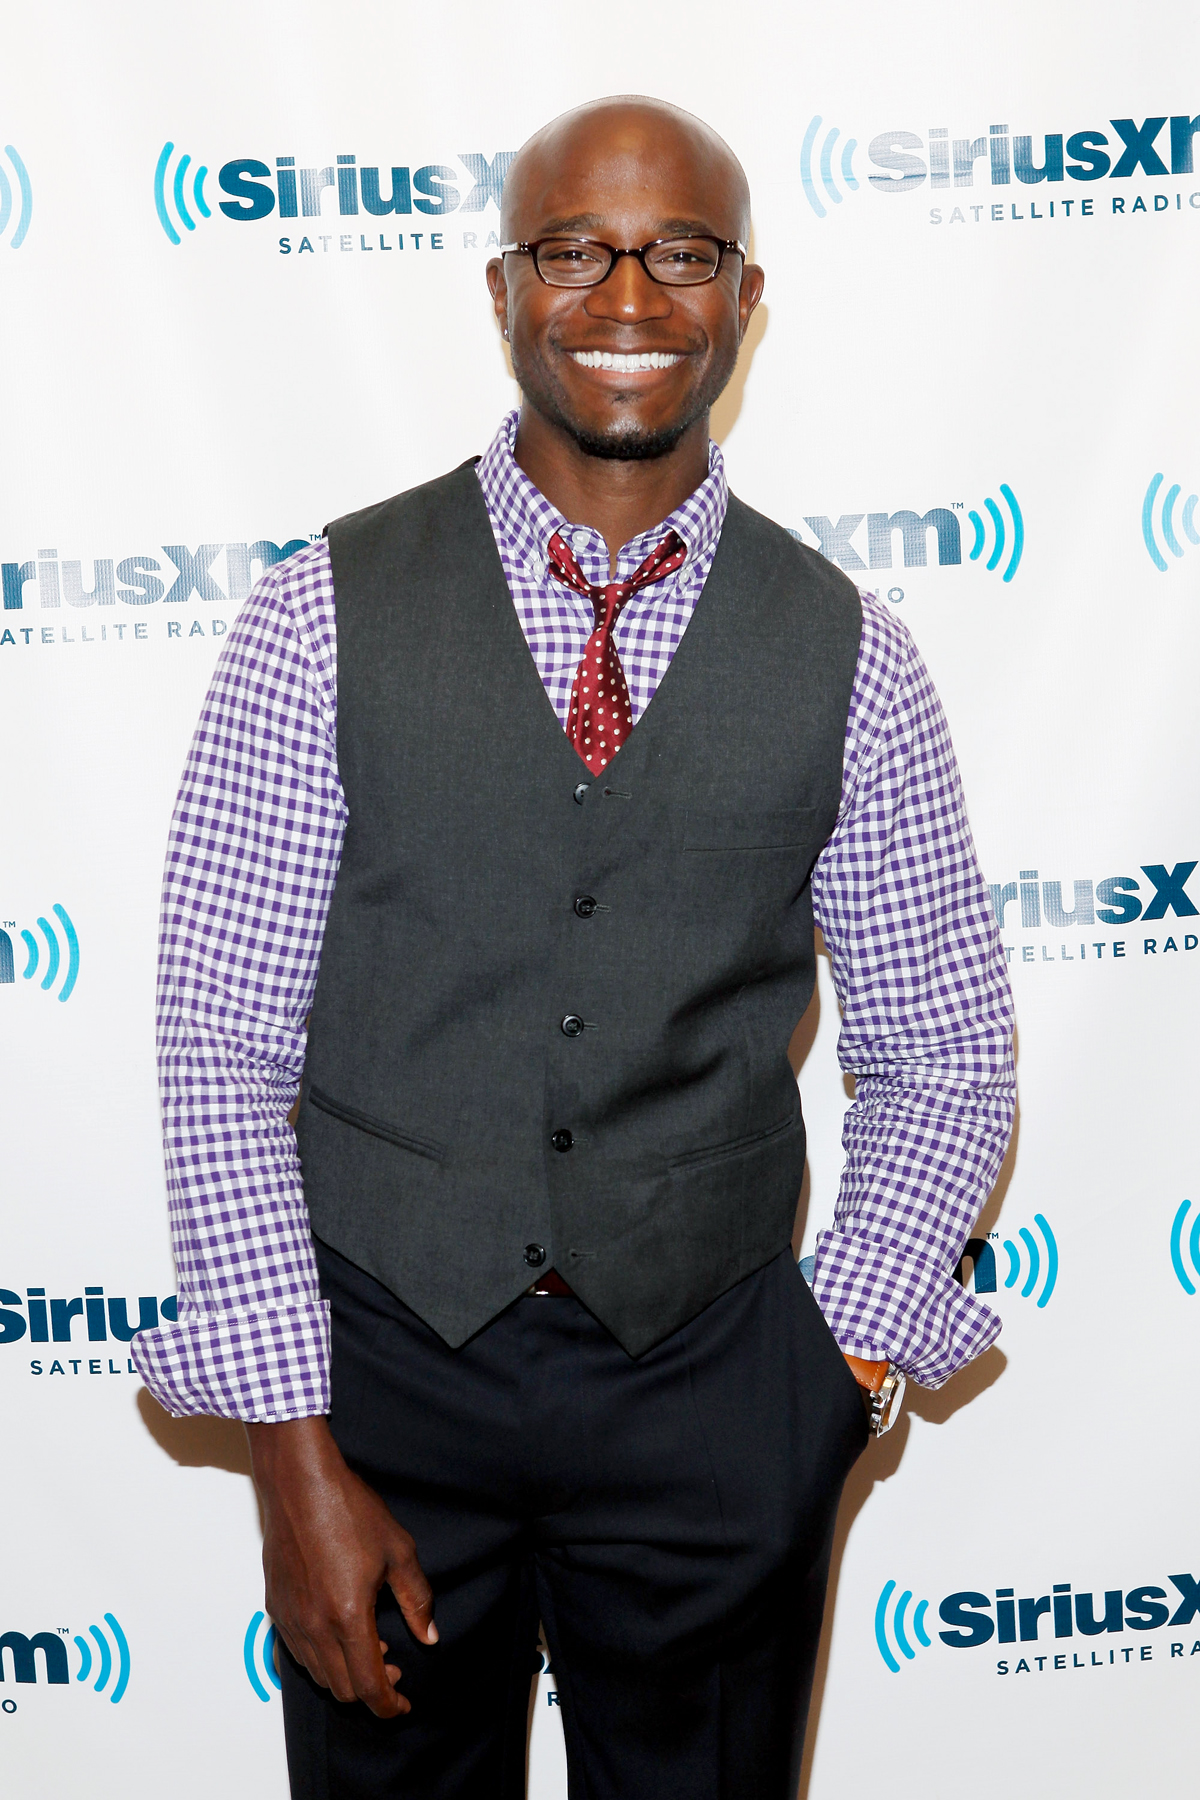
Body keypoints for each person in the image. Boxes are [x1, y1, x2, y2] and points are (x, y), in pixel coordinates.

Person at [133, 94, 1015, 1800]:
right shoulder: (320, 614)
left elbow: (946, 1054)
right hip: (382, 1386)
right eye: (574, 251)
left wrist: (827, 1382)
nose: (626, 297)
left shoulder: (854, 655)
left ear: (744, 298)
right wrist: (292, 1454)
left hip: (716, 1390)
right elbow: (222, 1052)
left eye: (680, 253)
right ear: (502, 287)